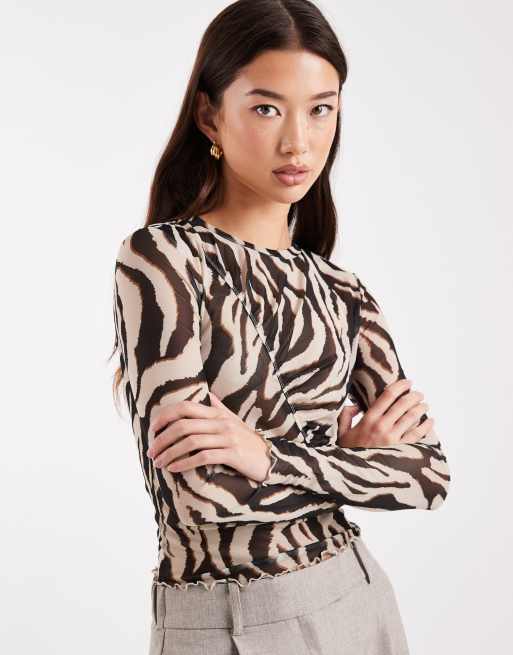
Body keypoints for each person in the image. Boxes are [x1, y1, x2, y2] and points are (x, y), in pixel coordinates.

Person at [110, 1, 451, 653]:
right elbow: (202, 494)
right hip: (232, 618)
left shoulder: (343, 291)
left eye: (321, 109)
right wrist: (351, 462)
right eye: (267, 108)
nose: (299, 142)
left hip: (357, 597)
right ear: (209, 115)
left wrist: (263, 456)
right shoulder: (162, 258)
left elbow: (427, 476)